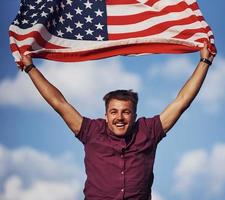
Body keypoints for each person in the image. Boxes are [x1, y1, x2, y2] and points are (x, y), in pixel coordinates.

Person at [19, 43, 214, 200]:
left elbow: (181, 102)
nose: (119, 117)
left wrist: (204, 61)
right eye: (113, 112)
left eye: (126, 112)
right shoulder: (91, 131)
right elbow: (58, 103)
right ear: (106, 115)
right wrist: (29, 67)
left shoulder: (149, 131)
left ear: (135, 115)